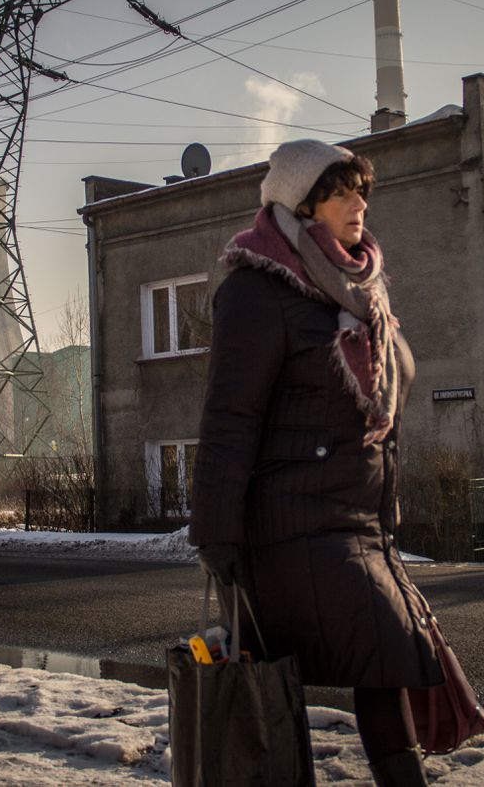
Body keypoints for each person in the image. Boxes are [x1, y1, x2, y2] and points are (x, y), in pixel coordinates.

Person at [188, 139, 442, 787]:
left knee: (380, 666)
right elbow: (229, 415)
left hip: (357, 524)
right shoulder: (257, 289)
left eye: (361, 190)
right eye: (340, 191)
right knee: (365, 659)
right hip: (287, 525)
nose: (358, 203)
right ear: (302, 203)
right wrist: (216, 530)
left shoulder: (361, 293)